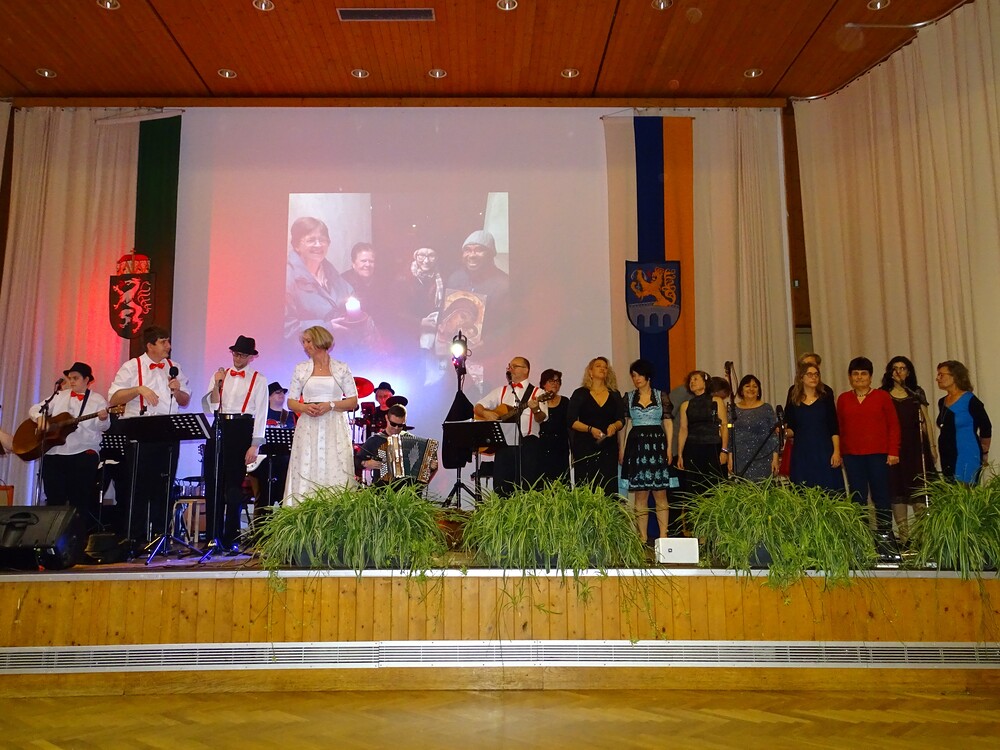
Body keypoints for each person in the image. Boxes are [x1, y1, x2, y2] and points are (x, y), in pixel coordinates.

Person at [108, 326, 192, 543]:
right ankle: (135, 537)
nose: (168, 346)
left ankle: (160, 535)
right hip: (140, 430)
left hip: (168, 430)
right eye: (164, 342)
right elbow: (113, 398)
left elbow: (185, 400)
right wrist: (138, 389)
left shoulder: (174, 367)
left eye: (168, 341)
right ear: (150, 345)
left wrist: (177, 390)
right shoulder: (131, 366)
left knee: (164, 485)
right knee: (138, 485)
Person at [201, 335, 269, 553]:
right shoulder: (221, 375)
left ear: (250, 357)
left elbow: (261, 413)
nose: (237, 358)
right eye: (235, 354)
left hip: (242, 428)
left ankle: (231, 536)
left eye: (242, 355)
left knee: (233, 487)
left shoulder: (259, 379)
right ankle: (212, 536)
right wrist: (217, 384)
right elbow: (212, 407)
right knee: (213, 482)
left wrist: (255, 444)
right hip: (220, 427)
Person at [28, 362, 110, 530]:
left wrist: (103, 419)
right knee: (54, 498)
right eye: (70, 378)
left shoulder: (97, 400)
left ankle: (76, 536)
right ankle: (51, 535)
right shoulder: (59, 396)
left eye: (76, 378)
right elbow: (35, 409)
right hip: (55, 452)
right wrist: (40, 418)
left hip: (82, 452)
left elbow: (104, 427)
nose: (71, 381)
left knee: (78, 499)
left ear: (87, 380)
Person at [283, 326, 359, 504]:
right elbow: (291, 401)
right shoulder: (301, 368)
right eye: (304, 342)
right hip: (309, 425)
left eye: (308, 341)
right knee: (307, 465)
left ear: (320, 341)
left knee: (335, 465)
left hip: (334, 424)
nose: (305, 345)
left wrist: (330, 405)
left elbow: (353, 401)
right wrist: (304, 407)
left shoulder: (341, 368)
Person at [837, 357, 901, 534]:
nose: (859, 377)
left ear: (870, 377)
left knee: (881, 496)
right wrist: (839, 452)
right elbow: (839, 427)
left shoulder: (882, 397)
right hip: (852, 455)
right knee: (858, 497)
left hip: (878, 455)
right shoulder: (843, 399)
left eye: (863, 373)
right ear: (850, 377)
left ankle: (885, 536)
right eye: (855, 374)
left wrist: (893, 451)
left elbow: (893, 425)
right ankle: (862, 536)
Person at [474, 356, 548, 495]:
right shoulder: (501, 391)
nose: (510, 369)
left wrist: (536, 409)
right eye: (509, 366)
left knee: (527, 486)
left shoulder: (538, 393)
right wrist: (485, 413)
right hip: (505, 446)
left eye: (515, 366)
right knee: (502, 488)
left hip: (528, 445)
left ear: (526, 370)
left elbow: (541, 418)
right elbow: (477, 407)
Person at [881, 356, 936, 542]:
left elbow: (926, 421)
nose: (899, 372)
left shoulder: (916, 393)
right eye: (895, 368)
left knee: (919, 490)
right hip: (894, 449)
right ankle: (904, 538)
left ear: (909, 372)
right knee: (897, 490)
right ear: (890, 372)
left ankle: (923, 538)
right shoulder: (883, 393)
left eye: (903, 368)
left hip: (916, 449)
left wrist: (932, 446)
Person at [619, 358, 673, 543]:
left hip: (657, 445)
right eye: (633, 376)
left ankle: (663, 536)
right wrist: (622, 448)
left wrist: (669, 448)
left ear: (647, 376)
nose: (636, 379)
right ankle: (642, 538)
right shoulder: (628, 397)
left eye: (639, 375)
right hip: (636, 446)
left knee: (660, 494)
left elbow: (668, 422)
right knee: (640, 495)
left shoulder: (660, 395)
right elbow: (624, 426)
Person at [568, 357, 625, 496]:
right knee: (586, 485)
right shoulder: (580, 393)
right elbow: (571, 421)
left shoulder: (614, 394)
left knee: (608, 486)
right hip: (585, 446)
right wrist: (590, 429)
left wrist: (614, 426)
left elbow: (621, 419)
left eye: (605, 367)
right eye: (598, 366)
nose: (602, 369)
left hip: (608, 446)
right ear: (590, 371)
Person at [444, 230, 510, 347]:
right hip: (451, 347)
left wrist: (487, 343)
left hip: (487, 351)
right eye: (467, 250)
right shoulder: (455, 278)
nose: (472, 255)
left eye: (479, 250)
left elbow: (512, 325)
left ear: (491, 254)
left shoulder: (504, 285)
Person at [784, 361, 843, 492]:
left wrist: (836, 451)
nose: (814, 377)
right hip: (802, 451)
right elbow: (791, 428)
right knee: (804, 489)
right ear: (801, 377)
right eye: (810, 374)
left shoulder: (825, 397)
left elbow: (833, 426)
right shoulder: (794, 400)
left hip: (824, 450)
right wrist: (783, 432)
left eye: (816, 374)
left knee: (828, 489)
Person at [936, 360, 992, 484]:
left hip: (966, 451)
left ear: (954, 376)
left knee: (965, 489)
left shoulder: (970, 400)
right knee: (951, 490)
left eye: (941, 375)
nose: (938, 378)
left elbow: (986, 426)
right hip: (947, 453)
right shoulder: (942, 402)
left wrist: (984, 450)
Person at [676, 370, 728, 498]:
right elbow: (683, 429)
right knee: (694, 487)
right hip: (692, 448)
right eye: (690, 380)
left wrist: (724, 450)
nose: (692, 382)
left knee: (714, 486)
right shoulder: (685, 405)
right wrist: (680, 454)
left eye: (695, 379)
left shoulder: (716, 401)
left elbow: (724, 426)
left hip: (712, 447)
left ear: (705, 382)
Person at [248, 382, 296, 509]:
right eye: (277, 392)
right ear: (268, 397)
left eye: (283, 392)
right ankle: (261, 521)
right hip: (263, 461)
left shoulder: (290, 416)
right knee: (263, 496)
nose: (281, 395)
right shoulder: (261, 415)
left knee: (283, 495)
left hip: (284, 461)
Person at [729, 374, 779, 481]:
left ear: (759, 391)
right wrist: (730, 457)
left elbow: (773, 436)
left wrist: (775, 459)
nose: (751, 389)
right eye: (747, 386)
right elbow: (730, 435)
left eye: (755, 386)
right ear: (741, 390)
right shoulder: (733, 409)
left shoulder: (766, 408)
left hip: (764, 458)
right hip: (740, 458)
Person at [537, 368, 570, 483]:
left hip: (560, 446)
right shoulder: (538, 401)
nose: (555, 384)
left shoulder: (565, 401)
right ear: (543, 384)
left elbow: (570, 426)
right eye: (551, 381)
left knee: (561, 480)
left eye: (557, 381)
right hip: (541, 446)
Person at [341, 242, 380, 323]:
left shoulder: (382, 281)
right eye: (363, 261)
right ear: (353, 263)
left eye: (371, 261)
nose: (368, 264)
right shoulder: (342, 282)